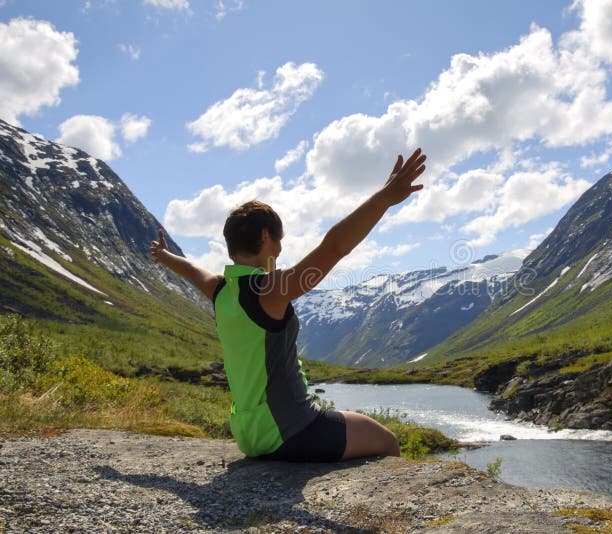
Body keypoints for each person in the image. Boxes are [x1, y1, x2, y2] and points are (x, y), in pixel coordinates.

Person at [150, 148, 427, 462]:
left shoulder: (221, 289)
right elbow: (334, 246)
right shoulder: (269, 289)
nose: (280, 251)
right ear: (266, 236)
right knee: (388, 441)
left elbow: (190, 269)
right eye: (278, 242)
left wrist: (164, 256)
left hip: (248, 435)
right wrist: (383, 199)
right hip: (293, 430)